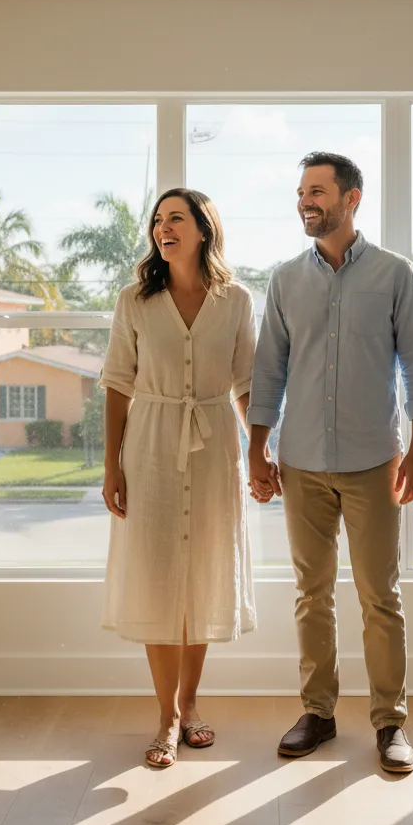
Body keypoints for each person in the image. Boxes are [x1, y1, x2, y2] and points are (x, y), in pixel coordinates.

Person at [247, 152, 413, 774]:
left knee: (381, 596)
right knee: (312, 594)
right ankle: (319, 713)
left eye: (319, 191)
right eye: (302, 191)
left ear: (352, 198)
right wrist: (257, 446)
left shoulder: (394, 274)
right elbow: (268, 371)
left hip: (372, 463)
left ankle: (391, 723)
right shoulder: (284, 281)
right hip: (300, 462)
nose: (307, 200)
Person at [99, 188, 258, 768]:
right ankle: (165, 717)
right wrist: (111, 463)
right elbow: (118, 383)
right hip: (151, 449)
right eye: (158, 221)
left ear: (203, 229)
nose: (164, 229)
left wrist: (261, 452)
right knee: (159, 576)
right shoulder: (134, 301)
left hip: (218, 451)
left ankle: (190, 705)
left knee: (203, 575)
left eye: (176, 219)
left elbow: (247, 386)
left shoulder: (236, 300)